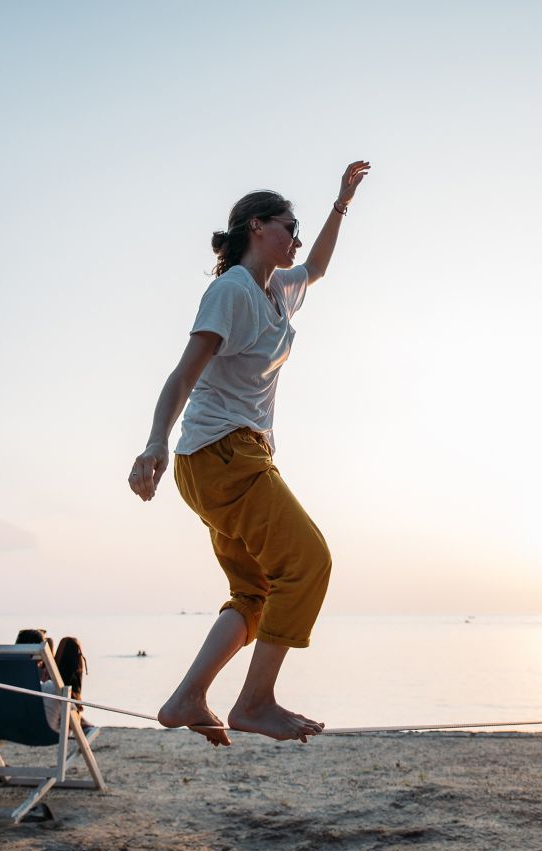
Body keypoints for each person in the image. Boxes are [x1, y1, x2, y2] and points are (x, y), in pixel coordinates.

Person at [128, 161, 371, 746]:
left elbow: (318, 267)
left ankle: (187, 697)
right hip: (224, 453)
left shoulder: (279, 289)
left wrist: (342, 203)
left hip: (223, 461)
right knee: (308, 562)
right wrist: (155, 441)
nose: (297, 237)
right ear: (257, 226)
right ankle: (255, 701)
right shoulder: (232, 289)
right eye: (290, 226)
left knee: (256, 593)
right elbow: (183, 375)